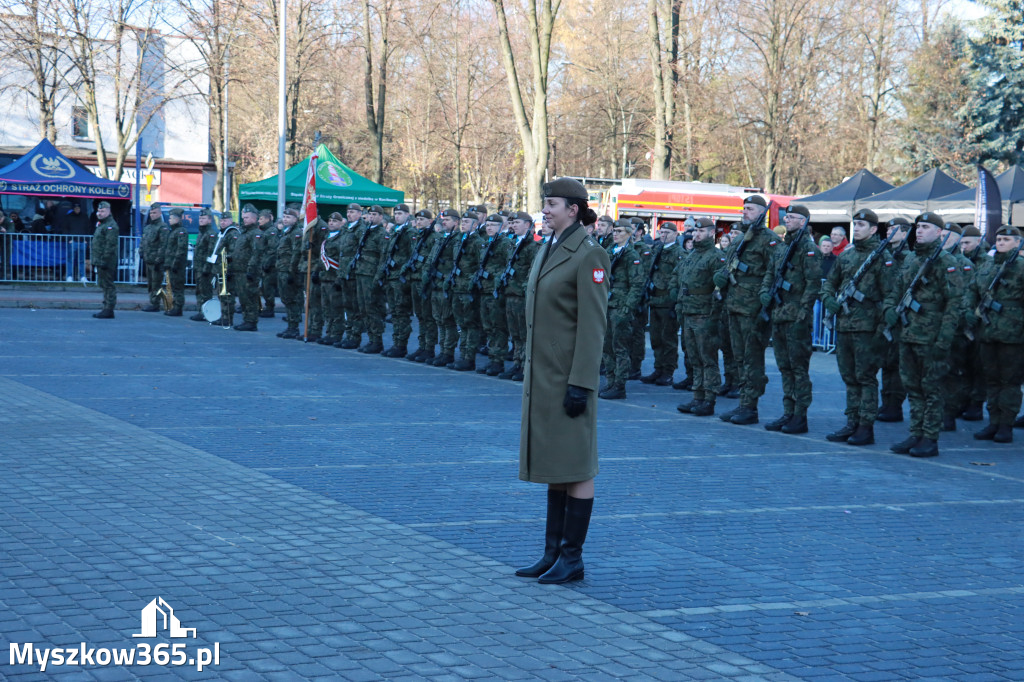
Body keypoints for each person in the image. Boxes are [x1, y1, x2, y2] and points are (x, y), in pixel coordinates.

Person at [517, 177, 609, 585]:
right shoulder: (549, 247)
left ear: (573, 209)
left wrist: (582, 383)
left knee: (578, 466)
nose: (546, 210)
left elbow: (594, 326)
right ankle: (552, 552)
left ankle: (572, 558)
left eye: (551, 203)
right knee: (557, 463)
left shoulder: (589, 255)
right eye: (545, 203)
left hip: (570, 378)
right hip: (544, 377)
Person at [882, 212, 959, 457]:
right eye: (918, 227)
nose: (920, 231)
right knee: (913, 388)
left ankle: (929, 438)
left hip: (931, 336)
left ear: (939, 232)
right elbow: (897, 290)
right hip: (908, 334)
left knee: (931, 389)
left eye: (926, 227)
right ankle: (915, 433)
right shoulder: (913, 260)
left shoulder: (946, 261)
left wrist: (943, 340)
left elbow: (954, 304)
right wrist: (888, 309)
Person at [820, 209, 894, 445]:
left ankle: (865, 426)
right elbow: (829, 284)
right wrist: (828, 299)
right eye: (856, 224)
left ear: (873, 229)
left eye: (862, 224)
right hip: (845, 324)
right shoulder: (846, 256)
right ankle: (852, 421)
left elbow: (890, 295)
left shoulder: (883, 257)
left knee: (865, 378)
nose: (858, 228)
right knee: (849, 377)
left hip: (868, 327)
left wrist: (881, 330)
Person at [713, 196, 781, 425]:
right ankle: (743, 402)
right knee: (740, 358)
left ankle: (751, 407)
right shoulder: (741, 239)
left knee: (752, 359)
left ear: (762, 212)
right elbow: (728, 264)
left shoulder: (770, 241)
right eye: (744, 208)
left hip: (753, 309)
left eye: (750, 209)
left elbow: (773, 275)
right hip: (734, 306)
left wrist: (765, 304)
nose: (745, 212)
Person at [756, 204, 821, 433]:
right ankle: (788, 412)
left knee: (798, 369)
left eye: (792, 217)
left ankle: (800, 416)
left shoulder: (808, 249)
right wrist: (765, 292)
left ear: (803, 221)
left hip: (796, 318)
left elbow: (813, 286)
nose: (788, 220)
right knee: (785, 367)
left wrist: (803, 315)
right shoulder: (782, 249)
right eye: (787, 216)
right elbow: (769, 275)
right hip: (779, 314)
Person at [965, 226, 1024, 443]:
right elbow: (972, 290)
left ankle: (1006, 425)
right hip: (987, 332)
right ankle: (994, 422)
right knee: (991, 380)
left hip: (1013, 335)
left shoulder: (1021, 267)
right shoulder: (988, 267)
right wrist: (970, 313)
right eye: (999, 239)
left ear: (1017, 243)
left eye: (1007, 239)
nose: (1001, 243)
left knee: (1009, 381)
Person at [675, 217, 727, 416]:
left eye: (701, 232)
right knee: (694, 358)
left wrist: (714, 316)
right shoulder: (693, 254)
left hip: (705, 314)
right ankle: (697, 396)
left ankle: (709, 399)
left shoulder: (716, 256)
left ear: (711, 233)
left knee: (708, 358)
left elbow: (720, 288)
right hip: (688, 312)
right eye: (695, 232)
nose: (696, 235)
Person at [600, 219, 643, 400]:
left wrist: (627, 308)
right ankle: (610, 381)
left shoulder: (631, 256)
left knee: (620, 348)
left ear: (628, 233)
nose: (615, 234)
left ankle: (619, 384)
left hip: (620, 307)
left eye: (619, 231)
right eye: (614, 231)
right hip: (606, 305)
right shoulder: (609, 252)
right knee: (606, 347)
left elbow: (637, 285)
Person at [640, 221, 683, 386]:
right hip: (655, 299)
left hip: (668, 301)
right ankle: (658, 369)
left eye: (667, 232)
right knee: (656, 338)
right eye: (661, 232)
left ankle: (668, 371)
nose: (663, 235)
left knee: (668, 339)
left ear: (675, 234)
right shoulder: (657, 250)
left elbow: (679, 276)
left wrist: (675, 300)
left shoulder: (678, 252)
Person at [499, 211, 541, 381]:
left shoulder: (533, 246)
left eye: (517, 222)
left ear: (528, 225)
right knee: (514, 333)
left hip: (522, 295)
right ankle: (517, 363)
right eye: (512, 222)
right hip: (510, 293)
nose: (513, 225)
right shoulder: (512, 244)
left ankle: (525, 366)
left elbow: (533, 272)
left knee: (524, 333)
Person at [877, 217, 912, 421]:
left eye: (894, 228)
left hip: (899, 316)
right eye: (888, 228)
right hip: (883, 313)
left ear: (905, 232)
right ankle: (887, 402)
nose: (889, 231)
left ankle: (895, 405)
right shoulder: (885, 254)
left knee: (897, 363)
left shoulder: (908, 257)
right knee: (886, 362)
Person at [958, 226, 991, 421]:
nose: (964, 247)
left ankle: (976, 403)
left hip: (980, 321)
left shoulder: (987, 263)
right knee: (964, 364)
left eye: (967, 243)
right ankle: (964, 401)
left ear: (978, 242)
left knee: (978, 366)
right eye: (961, 243)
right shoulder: (961, 260)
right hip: (964, 318)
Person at [446, 211, 485, 370]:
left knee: (470, 324)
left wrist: (471, 282)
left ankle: (469, 358)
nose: (463, 224)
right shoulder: (459, 240)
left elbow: (481, 265)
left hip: (468, 289)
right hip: (457, 287)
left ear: (475, 225)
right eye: (462, 221)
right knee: (461, 324)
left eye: (467, 222)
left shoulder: (477, 242)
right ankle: (462, 356)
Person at [378, 204, 416, 357]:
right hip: (391, 277)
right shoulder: (395, 231)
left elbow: (412, 256)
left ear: (408, 215)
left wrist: (405, 277)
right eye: (396, 213)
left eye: (401, 213)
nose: (397, 216)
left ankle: (401, 345)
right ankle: (396, 343)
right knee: (394, 313)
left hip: (400, 279)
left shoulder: (410, 232)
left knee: (401, 313)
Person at [477, 214, 513, 375]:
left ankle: (498, 361)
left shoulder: (505, 243)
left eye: (493, 225)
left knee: (498, 327)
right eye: (487, 224)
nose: (489, 227)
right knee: (488, 327)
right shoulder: (487, 243)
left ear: (501, 226)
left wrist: (495, 277)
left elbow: (508, 265)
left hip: (496, 291)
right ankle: (492, 358)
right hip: (484, 290)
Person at [405, 210, 438, 362]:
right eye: (417, 218)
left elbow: (433, 260)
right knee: (420, 316)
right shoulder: (416, 236)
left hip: (425, 282)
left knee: (428, 316)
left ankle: (429, 348)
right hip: (414, 279)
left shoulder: (433, 238)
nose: (419, 221)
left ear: (430, 221)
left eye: (423, 219)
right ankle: (422, 345)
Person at [354, 206, 387, 353]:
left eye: (375, 214)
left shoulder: (382, 234)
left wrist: (378, 278)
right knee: (363, 308)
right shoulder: (366, 231)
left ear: (381, 217)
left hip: (371, 275)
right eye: (370, 214)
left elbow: (383, 258)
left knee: (372, 308)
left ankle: (377, 340)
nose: (371, 217)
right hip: (361, 273)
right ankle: (371, 338)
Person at [335, 203, 366, 348]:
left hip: (353, 272)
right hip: (344, 271)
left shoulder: (361, 229)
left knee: (355, 306)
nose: (349, 214)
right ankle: (348, 335)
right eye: (348, 212)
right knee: (347, 305)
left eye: (353, 212)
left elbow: (361, 251)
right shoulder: (346, 228)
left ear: (359, 214)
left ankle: (355, 336)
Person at [274, 205, 305, 338]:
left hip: (290, 271)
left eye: (289, 217)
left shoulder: (296, 233)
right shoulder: (287, 231)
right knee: (286, 298)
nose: (285, 219)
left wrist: (292, 272)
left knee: (293, 299)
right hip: (282, 269)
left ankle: (294, 327)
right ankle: (290, 326)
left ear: (295, 219)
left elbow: (296, 253)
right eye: (284, 217)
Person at [91, 201, 119, 318]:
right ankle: (106, 307)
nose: (100, 213)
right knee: (104, 285)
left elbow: (110, 245)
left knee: (108, 285)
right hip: (100, 259)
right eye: (99, 211)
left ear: (109, 211)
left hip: (107, 261)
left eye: (102, 211)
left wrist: (104, 260)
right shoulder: (102, 224)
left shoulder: (110, 225)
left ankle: (109, 308)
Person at [161, 208, 190, 316]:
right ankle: (174, 306)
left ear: (177, 219)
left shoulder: (181, 231)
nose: (169, 220)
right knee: (173, 286)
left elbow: (180, 249)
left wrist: (175, 263)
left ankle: (178, 307)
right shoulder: (173, 231)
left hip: (177, 264)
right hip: (171, 263)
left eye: (171, 218)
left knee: (178, 287)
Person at [190, 209, 218, 321]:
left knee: (205, 291)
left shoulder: (211, 234)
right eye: (200, 218)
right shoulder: (201, 233)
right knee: (199, 290)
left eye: (204, 218)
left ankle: (206, 312)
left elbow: (211, 252)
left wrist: (207, 268)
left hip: (205, 268)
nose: (201, 220)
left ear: (210, 220)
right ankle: (200, 310)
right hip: (199, 267)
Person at [141, 203, 169, 312]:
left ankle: (155, 303)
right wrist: (141, 251)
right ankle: (152, 301)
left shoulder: (163, 227)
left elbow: (163, 244)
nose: (152, 215)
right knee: (150, 283)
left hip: (156, 260)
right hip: (148, 259)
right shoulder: (148, 227)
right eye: (151, 213)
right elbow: (144, 241)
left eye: (155, 213)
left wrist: (159, 260)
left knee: (156, 283)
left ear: (159, 213)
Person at [257, 209, 280, 318]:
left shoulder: (271, 231)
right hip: (263, 264)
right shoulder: (264, 231)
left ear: (267, 219)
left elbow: (272, 249)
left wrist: (266, 263)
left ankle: (270, 308)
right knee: (263, 287)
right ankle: (265, 307)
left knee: (267, 287)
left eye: (261, 219)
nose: (259, 221)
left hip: (269, 266)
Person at [64, 203, 92, 283]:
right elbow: (65, 229)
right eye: (76, 208)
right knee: (70, 260)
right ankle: (69, 276)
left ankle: (82, 277)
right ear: (73, 208)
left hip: (82, 242)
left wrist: (86, 239)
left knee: (82, 260)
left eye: (78, 208)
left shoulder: (84, 217)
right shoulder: (69, 217)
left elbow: (88, 228)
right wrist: (69, 239)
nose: (77, 209)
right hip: (73, 242)